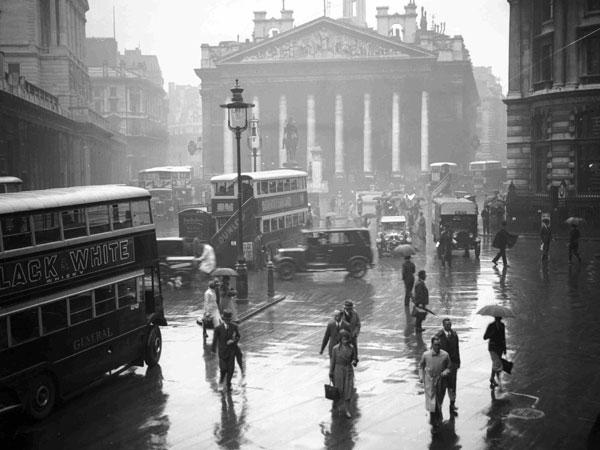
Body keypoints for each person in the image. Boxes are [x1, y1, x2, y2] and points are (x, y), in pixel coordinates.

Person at [419, 336, 451, 433]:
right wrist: (421, 377)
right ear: (432, 344)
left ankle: (436, 418)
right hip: (429, 382)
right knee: (432, 403)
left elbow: (449, 367)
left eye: (439, 345)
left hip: (441, 382)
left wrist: (446, 371)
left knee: (438, 402)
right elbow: (421, 366)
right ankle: (435, 423)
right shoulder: (426, 355)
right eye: (436, 345)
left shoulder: (445, 355)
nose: (437, 347)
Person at [329, 329, 358, 419]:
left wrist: (354, 361)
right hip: (338, 370)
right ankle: (336, 406)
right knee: (339, 389)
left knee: (348, 390)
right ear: (340, 339)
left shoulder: (352, 348)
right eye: (343, 339)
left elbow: (355, 359)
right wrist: (331, 372)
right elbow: (332, 361)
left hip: (348, 369)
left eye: (346, 339)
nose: (345, 341)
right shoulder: (335, 349)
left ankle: (347, 409)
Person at [211, 309, 241, 391]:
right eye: (226, 320)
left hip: (231, 351)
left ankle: (228, 384)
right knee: (223, 368)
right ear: (223, 319)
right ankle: (221, 378)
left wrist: (233, 341)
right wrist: (213, 350)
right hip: (222, 352)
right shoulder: (218, 328)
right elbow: (214, 340)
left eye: (229, 320)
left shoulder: (234, 326)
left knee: (231, 369)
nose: (227, 321)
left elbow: (238, 336)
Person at [435, 318, 460, 416]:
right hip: (442, 366)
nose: (448, 326)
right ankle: (439, 406)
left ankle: (452, 404)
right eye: (446, 325)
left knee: (452, 386)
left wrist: (458, 362)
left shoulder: (454, 335)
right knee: (441, 387)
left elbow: (457, 349)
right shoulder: (438, 336)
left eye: (450, 324)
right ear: (443, 325)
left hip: (453, 364)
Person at [483, 316, 506, 390]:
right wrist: (491, 334)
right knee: (496, 362)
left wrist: (504, 348)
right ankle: (492, 378)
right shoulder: (491, 326)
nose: (500, 318)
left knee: (496, 363)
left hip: (500, 348)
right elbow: (485, 337)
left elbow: (503, 337)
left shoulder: (502, 325)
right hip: (493, 347)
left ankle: (493, 377)